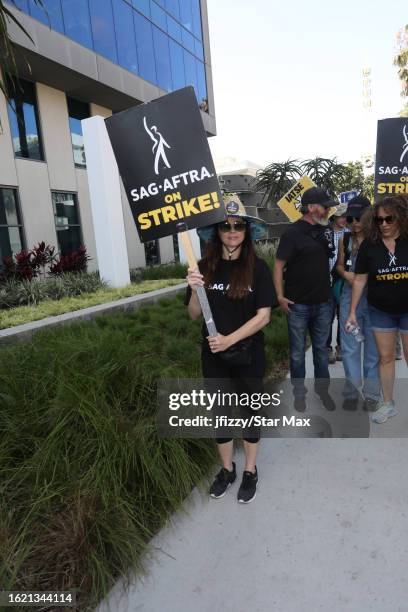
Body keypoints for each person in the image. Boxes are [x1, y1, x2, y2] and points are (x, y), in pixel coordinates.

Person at [185, 194, 277, 503]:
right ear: (217, 232)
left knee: (250, 413)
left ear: (247, 231)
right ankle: (227, 469)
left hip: (248, 353)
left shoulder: (259, 269)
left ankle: (250, 470)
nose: (232, 230)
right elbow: (193, 314)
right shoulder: (202, 268)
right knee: (220, 414)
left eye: (239, 225)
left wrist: (230, 339)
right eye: (226, 226)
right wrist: (196, 287)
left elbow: (263, 316)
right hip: (213, 354)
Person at [346, 194, 408, 424]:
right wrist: (352, 311)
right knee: (385, 357)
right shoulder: (369, 247)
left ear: (400, 218)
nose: (383, 224)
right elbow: (360, 280)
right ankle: (388, 403)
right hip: (381, 310)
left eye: (389, 219)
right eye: (379, 220)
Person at [274, 187, 337, 392]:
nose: (328, 210)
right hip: (297, 305)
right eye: (325, 206)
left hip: (323, 304)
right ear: (311, 207)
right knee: (297, 353)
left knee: (321, 350)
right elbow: (278, 266)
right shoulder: (292, 233)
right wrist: (280, 297)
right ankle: (299, 393)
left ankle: (323, 391)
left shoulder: (326, 230)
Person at [336, 195, 380, 410]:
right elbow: (339, 266)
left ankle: (371, 394)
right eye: (350, 218)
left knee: (373, 349)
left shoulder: (378, 238)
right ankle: (352, 393)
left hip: (374, 298)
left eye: (358, 218)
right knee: (350, 347)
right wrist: (347, 276)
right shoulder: (344, 239)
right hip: (348, 296)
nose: (354, 223)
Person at [327, 203, 349, 363]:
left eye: (345, 216)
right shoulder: (325, 232)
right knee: (327, 316)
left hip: (341, 281)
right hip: (324, 280)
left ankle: (341, 346)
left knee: (343, 314)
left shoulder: (349, 234)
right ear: (334, 216)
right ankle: (327, 348)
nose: (343, 219)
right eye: (341, 216)